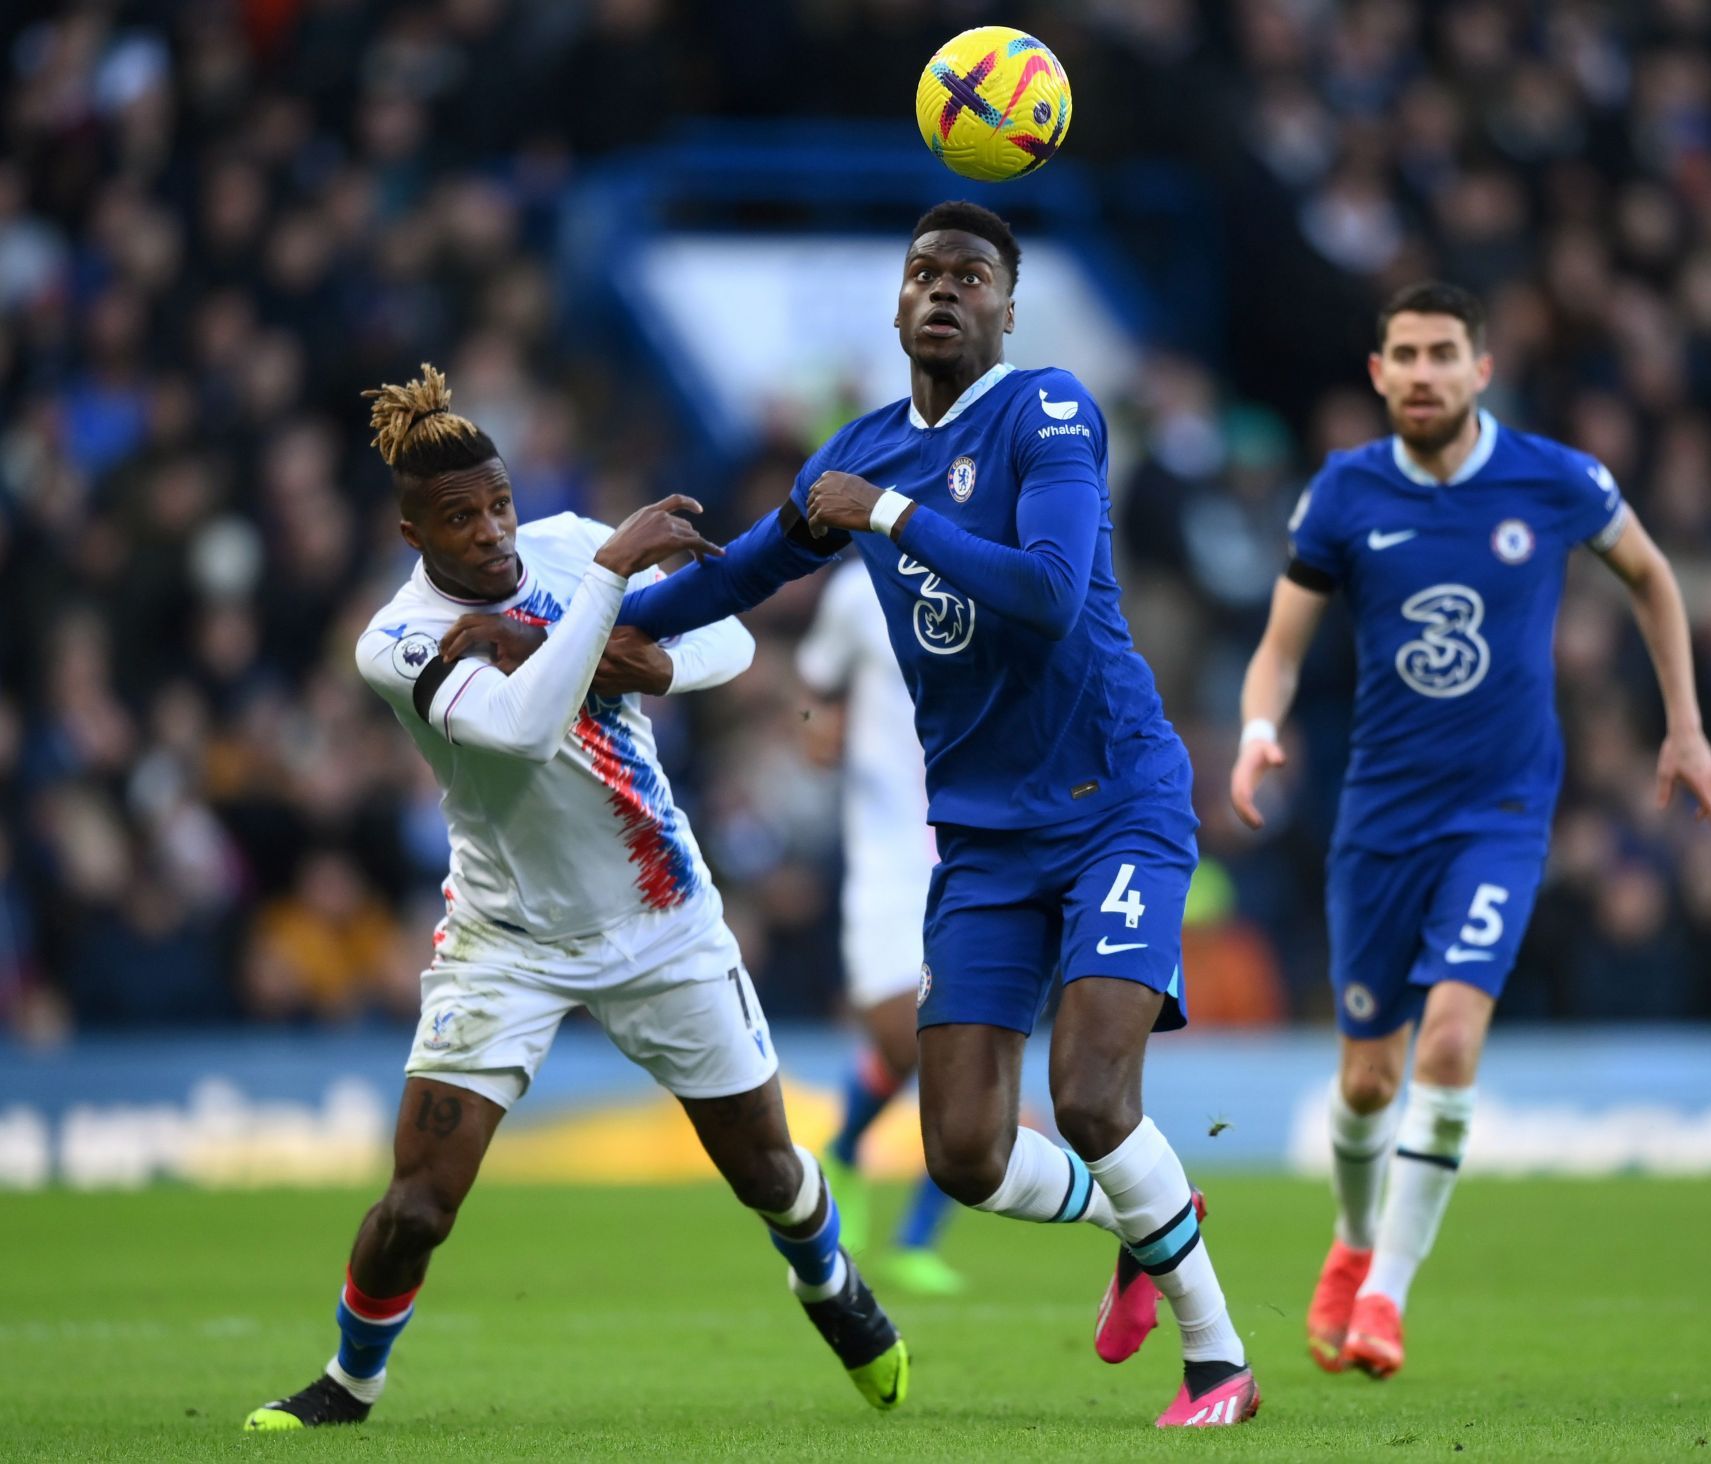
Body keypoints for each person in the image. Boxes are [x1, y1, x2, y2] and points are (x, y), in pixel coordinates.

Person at [613, 201, 1258, 1429]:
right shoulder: (855, 453)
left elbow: (1053, 596)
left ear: (1008, 310)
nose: (943, 291)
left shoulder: (1050, 411)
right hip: (983, 838)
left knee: (1089, 1097)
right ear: (897, 305)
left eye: (971, 276)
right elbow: (743, 572)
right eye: (923, 273)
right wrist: (599, 620)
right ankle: (1143, 1213)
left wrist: (893, 517)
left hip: (1114, 796)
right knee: (960, 1150)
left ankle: (1219, 1361)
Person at [243, 366, 909, 1431]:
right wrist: (604, 602)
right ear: (413, 534)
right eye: (460, 520)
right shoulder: (397, 639)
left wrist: (612, 647)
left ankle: (827, 1280)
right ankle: (350, 1383)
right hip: (506, 940)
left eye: (499, 503)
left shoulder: (565, 544)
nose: (493, 533)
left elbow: (729, 640)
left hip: (664, 918)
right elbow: (515, 727)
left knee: (772, 1175)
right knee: (417, 1203)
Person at [1229, 281, 1711, 1381]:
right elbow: (1279, 642)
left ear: (1480, 369)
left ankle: (1389, 1299)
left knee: (1449, 1042)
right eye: (1403, 354)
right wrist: (1260, 726)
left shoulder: (1554, 480)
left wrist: (1684, 727)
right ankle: (1352, 1246)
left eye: (1443, 353)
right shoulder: (1343, 495)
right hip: (1378, 817)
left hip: (1499, 813)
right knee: (1366, 1077)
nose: (1421, 372)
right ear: (1377, 373)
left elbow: (1652, 574)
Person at [796, 561, 963, 1297]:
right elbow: (815, 679)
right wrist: (820, 727)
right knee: (911, 1041)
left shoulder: (992, 571)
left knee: (970, 1053)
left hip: (976, 846)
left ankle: (916, 1237)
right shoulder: (857, 591)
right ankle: (845, 1150)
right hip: (888, 854)